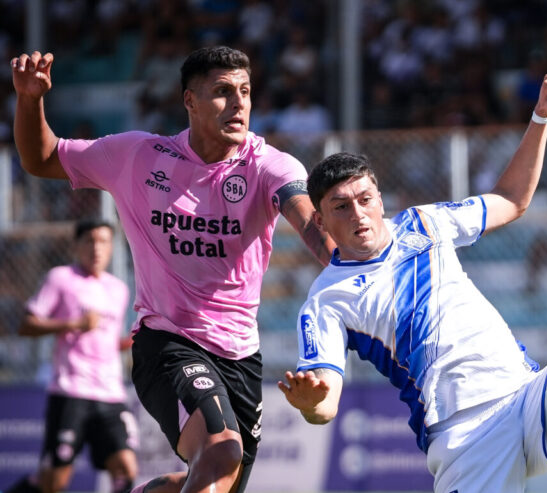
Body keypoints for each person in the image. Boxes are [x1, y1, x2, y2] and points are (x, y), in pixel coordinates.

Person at [279, 72, 547, 493]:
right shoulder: (326, 298)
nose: (358, 214)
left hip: (526, 395)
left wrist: (540, 117)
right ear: (320, 219)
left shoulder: (426, 222)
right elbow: (326, 399)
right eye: (341, 207)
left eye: (365, 200)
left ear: (380, 198)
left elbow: (512, 200)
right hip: (465, 434)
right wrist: (313, 405)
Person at [10, 46, 334, 493]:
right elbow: (39, 158)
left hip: (241, 356)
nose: (239, 103)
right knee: (222, 451)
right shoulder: (138, 156)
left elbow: (307, 219)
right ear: (189, 101)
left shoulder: (269, 165)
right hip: (167, 344)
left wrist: (346, 262)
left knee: (218, 479)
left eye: (245, 91)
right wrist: (30, 100)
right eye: (222, 92)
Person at [5, 219, 138, 493]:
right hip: (71, 392)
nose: (96, 248)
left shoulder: (118, 289)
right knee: (53, 482)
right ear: (76, 245)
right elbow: (26, 325)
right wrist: (74, 323)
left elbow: (109, 341)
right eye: (89, 240)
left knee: (125, 469)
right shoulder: (60, 278)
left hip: (110, 394)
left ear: (112, 247)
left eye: (103, 241)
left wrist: (133, 343)